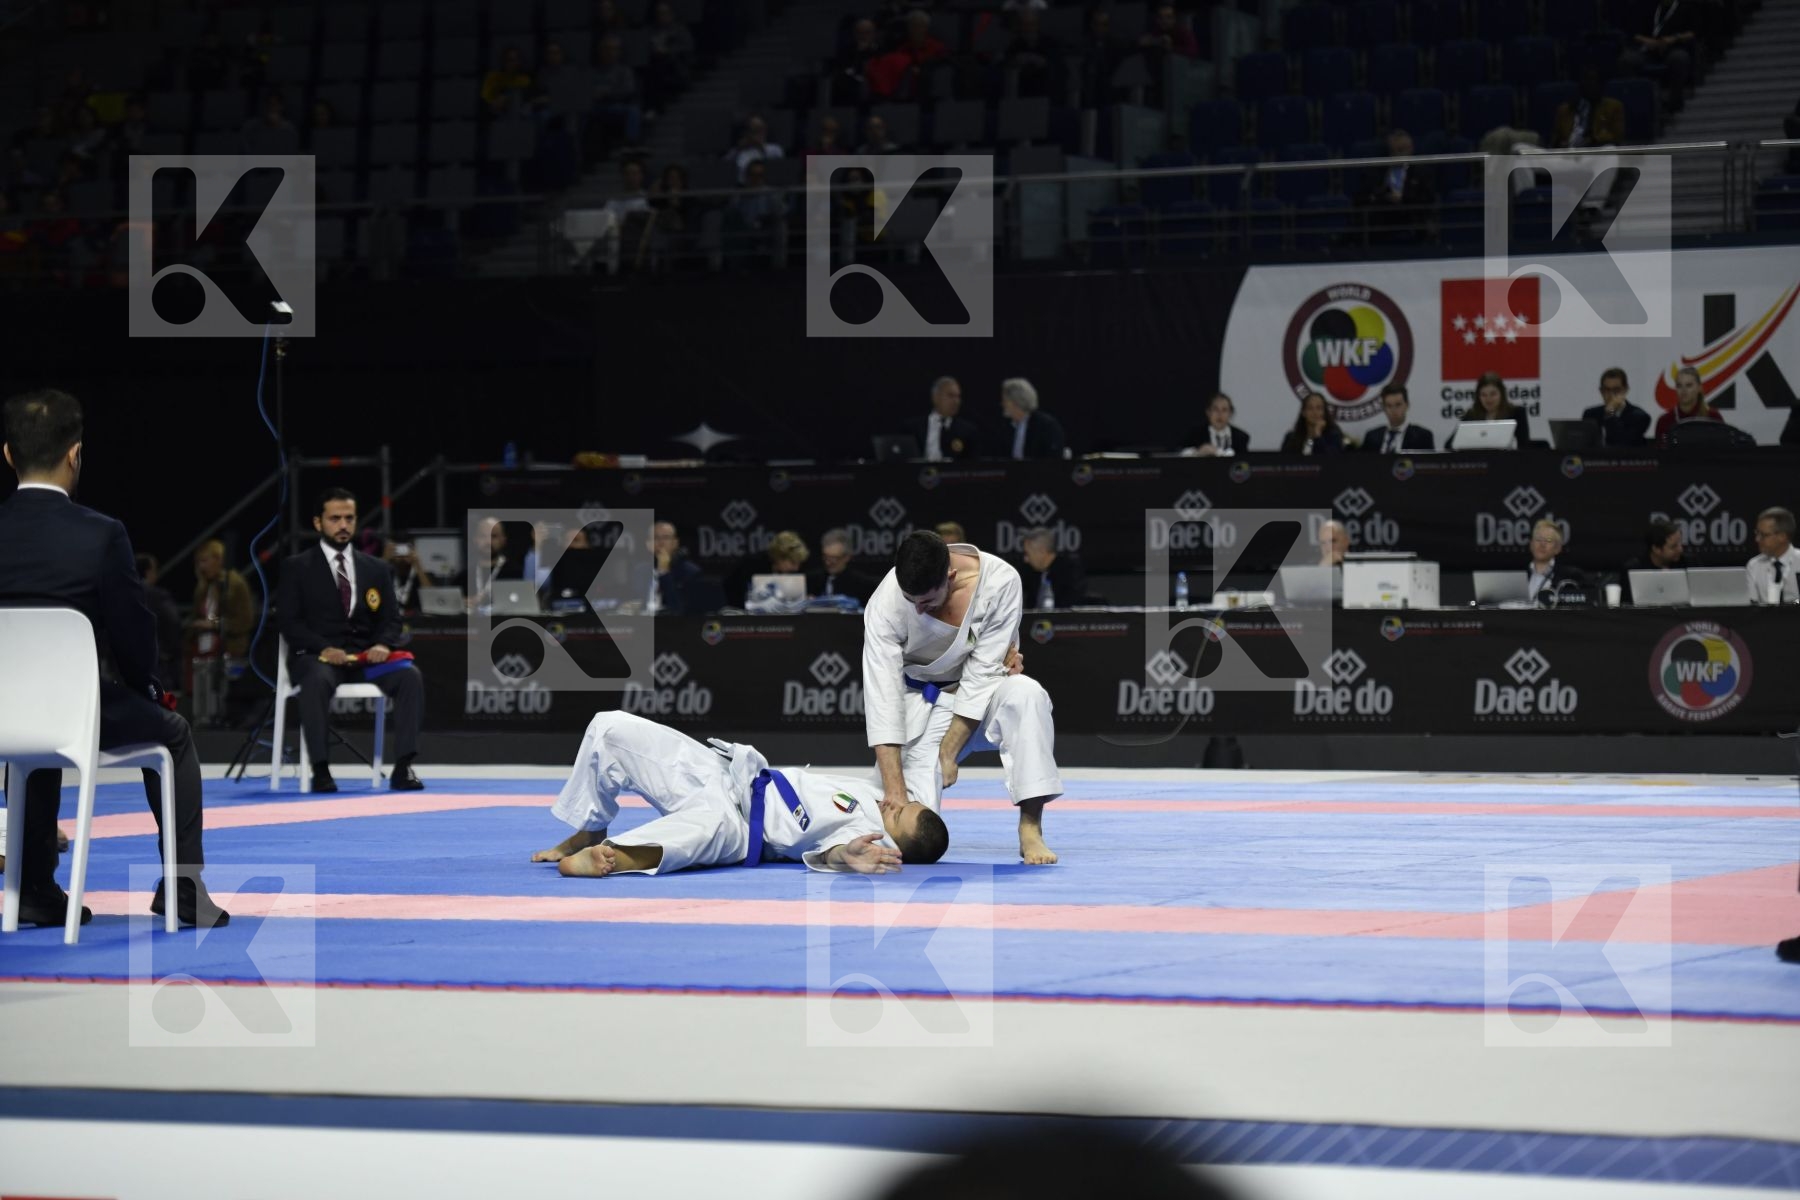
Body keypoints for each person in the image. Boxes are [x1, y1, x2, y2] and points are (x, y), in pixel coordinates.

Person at [0, 388, 227, 928]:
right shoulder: (101, 535)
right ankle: (184, 890)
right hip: (79, 713)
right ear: (76, 454)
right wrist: (146, 688)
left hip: (4, 716)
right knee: (172, 734)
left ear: (8, 453)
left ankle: (33, 888)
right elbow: (133, 636)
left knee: (34, 743)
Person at [531, 711, 947, 877]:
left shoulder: (860, 832)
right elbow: (926, 750)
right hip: (727, 774)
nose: (892, 803)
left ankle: (612, 856)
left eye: (896, 815)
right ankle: (589, 827)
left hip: (741, 828)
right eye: (905, 803)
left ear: (892, 844)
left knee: (693, 837)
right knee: (611, 727)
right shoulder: (881, 795)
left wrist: (846, 858)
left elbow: (834, 851)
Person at [863, 530, 1061, 864]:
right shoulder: (886, 604)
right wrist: (895, 789)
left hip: (980, 700)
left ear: (950, 576)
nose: (919, 610)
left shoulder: (1000, 581)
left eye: (927, 600)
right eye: (912, 601)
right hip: (920, 705)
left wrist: (949, 753)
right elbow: (882, 695)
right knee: (902, 837)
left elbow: (983, 673)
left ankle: (1031, 827)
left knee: (1027, 694)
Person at [277, 487, 426, 793]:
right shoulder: (297, 567)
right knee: (316, 679)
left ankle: (403, 766)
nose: (343, 525)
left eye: (349, 518)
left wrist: (383, 645)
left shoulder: (377, 568)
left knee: (409, 677)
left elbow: (392, 619)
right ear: (318, 523)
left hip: (364, 659)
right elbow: (288, 623)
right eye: (335, 518)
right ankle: (321, 769)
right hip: (319, 658)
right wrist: (323, 648)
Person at [187, 537, 254, 727]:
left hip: (228, 650)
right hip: (202, 649)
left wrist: (214, 625)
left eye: (205, 561)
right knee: (201, 697)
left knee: (221, 696)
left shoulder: (235, 584)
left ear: (218, 559)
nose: (201, 566)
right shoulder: (202, 587)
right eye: (198, 562)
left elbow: (245, 620)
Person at [724, 529, 809, 609]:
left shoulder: (794, 573)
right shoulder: (751, 566)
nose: (796, 568)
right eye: (793, 562)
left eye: (799, 563)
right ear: (779, 557)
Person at [136, 553, 183, 693]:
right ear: (149, 571)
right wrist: (170, 651)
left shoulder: (121, 595)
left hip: (125, 664)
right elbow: (174, 622)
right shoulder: (159, 596)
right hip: (158, 664)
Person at [909, 375, 981, 462]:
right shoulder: (913, 427)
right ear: (935, 397)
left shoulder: (967, 431)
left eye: (958, 396)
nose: (956, 401)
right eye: (951, 396)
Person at [1553, 66, 1626, 149]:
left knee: (1610, 148)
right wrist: (1561, 144)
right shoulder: (1564, 109)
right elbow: (1555, 139)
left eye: (1593, 79)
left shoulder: (1614, 107)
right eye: (1585, 79)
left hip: (1596, 150)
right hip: (1570, 153)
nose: (1589, 84)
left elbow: (1616, 136)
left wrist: (1592, 139)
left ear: (1601, 84)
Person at [1524, 519, 1593, 606]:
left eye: (1548, 540)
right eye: (1538, 539)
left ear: (1558, 548)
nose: (1542, 544)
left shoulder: (1572, 577)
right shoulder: (1518, 574)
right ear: (1531, 544)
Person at [1580, 367, 1651, 447]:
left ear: (1626, 390)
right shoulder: (1591, 414)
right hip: (1595, 459)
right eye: (1607, 390)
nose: (1611, 395)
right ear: (1601, 391)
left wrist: (1610, 411)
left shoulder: (1640, 417)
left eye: (1616, 390)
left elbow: (1620, 443)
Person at [1458, 370, 1533, 446]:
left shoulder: (1517, 413)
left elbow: (1524, 446)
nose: (1488, 399)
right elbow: (1450, 444)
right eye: (1483, 395)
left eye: (1493, 394)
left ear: (1501, 394)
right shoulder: (1471, 415)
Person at [1619, 518, 1684, 605]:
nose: (1680, 549)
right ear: (1656, 549)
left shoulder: (1687, 564)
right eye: (1673, 547)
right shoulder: (1633, 569)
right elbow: (1626, 607)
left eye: (1680, 544)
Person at [1019, 527, 1086, 610]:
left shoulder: (1070, 570)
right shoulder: (1030, 573)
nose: (1026, 560)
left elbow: (1071, 603)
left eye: (1027, 554)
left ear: (1042, 551)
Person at [1000, 377, 1066, 460]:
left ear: (1016, 401)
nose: (1002, 404)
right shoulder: (1006, 427)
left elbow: (1052, 460)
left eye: (1005, 400)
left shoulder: (1046, 426)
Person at [1654, 364, 1721, 445]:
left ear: (1699, 388)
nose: (1683, 390)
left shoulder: (1713, 418)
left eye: (1689, 385)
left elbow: (1720, 452)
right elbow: (1661, 453)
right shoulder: (1665, 421)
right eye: (1679, 386)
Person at [809, 528, 879, 604]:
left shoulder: (862, 584)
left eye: (833, 558)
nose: (828, 562)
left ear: (847, 557)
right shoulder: (812, 580)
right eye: (825, 557)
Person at [1746, 506, 1798, 605]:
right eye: (1757, 533)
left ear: (1782, 536)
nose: (1757, 539)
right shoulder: (1754, 565)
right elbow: (1751, 605)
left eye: (1763, 535)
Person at [1360, 383, 1435, 452]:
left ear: (1407, 405)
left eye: (1398, 405)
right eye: (1389, 406)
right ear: (1384, 408)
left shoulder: (1422, 437)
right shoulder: (1372, 437)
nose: (1393, 410)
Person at [651, 520, 704, 614]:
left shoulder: (690, 571)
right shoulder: (641, 570)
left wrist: (664, 573)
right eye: (656, 538)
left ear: (675, 543)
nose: (660, 542)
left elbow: (679, 609)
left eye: (666, 538)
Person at [1279, 391, 1350, 454]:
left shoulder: (1334, 436)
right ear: (1304, 412)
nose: (1315, 412)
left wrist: (1317, 435)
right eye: (1310, 408)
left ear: (1324, 412)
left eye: (1319, 408)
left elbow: (1331, 462)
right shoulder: (1291, 438)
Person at [1183, 392, 1249, 456]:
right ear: (1208, 412)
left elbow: (1243, 462)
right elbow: (1180, 454)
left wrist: (1218, 452)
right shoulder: (1196, 434)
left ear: (1230, 413)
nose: (1220, 414)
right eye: (1215, 409)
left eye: (1224, 410)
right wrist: (1198, 453)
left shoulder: (1241, 437)